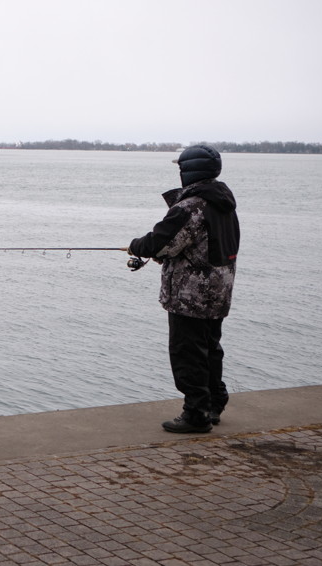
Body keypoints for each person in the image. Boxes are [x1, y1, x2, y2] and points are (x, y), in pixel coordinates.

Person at [126, 144, 240, 433]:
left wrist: (136, 246)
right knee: (210, 348)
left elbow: (161, 243)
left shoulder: (192, 206)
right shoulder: (224, 202)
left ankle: (196, 414)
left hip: (191, 295)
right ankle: (214, 402)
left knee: (187, 352)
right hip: (219, 290)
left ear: (187, 170)